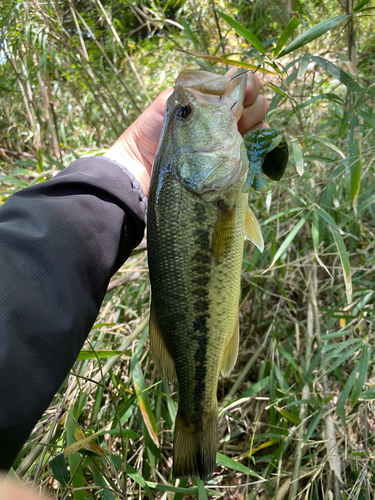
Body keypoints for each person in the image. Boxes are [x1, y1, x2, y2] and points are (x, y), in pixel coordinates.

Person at [0, 68, 269, 497]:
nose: (183, 110)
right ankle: (197, 419)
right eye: (183, 114)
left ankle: (195, 421)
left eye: (179, 115)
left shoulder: (201, 185)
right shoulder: (199, 186)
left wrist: (126, 163)